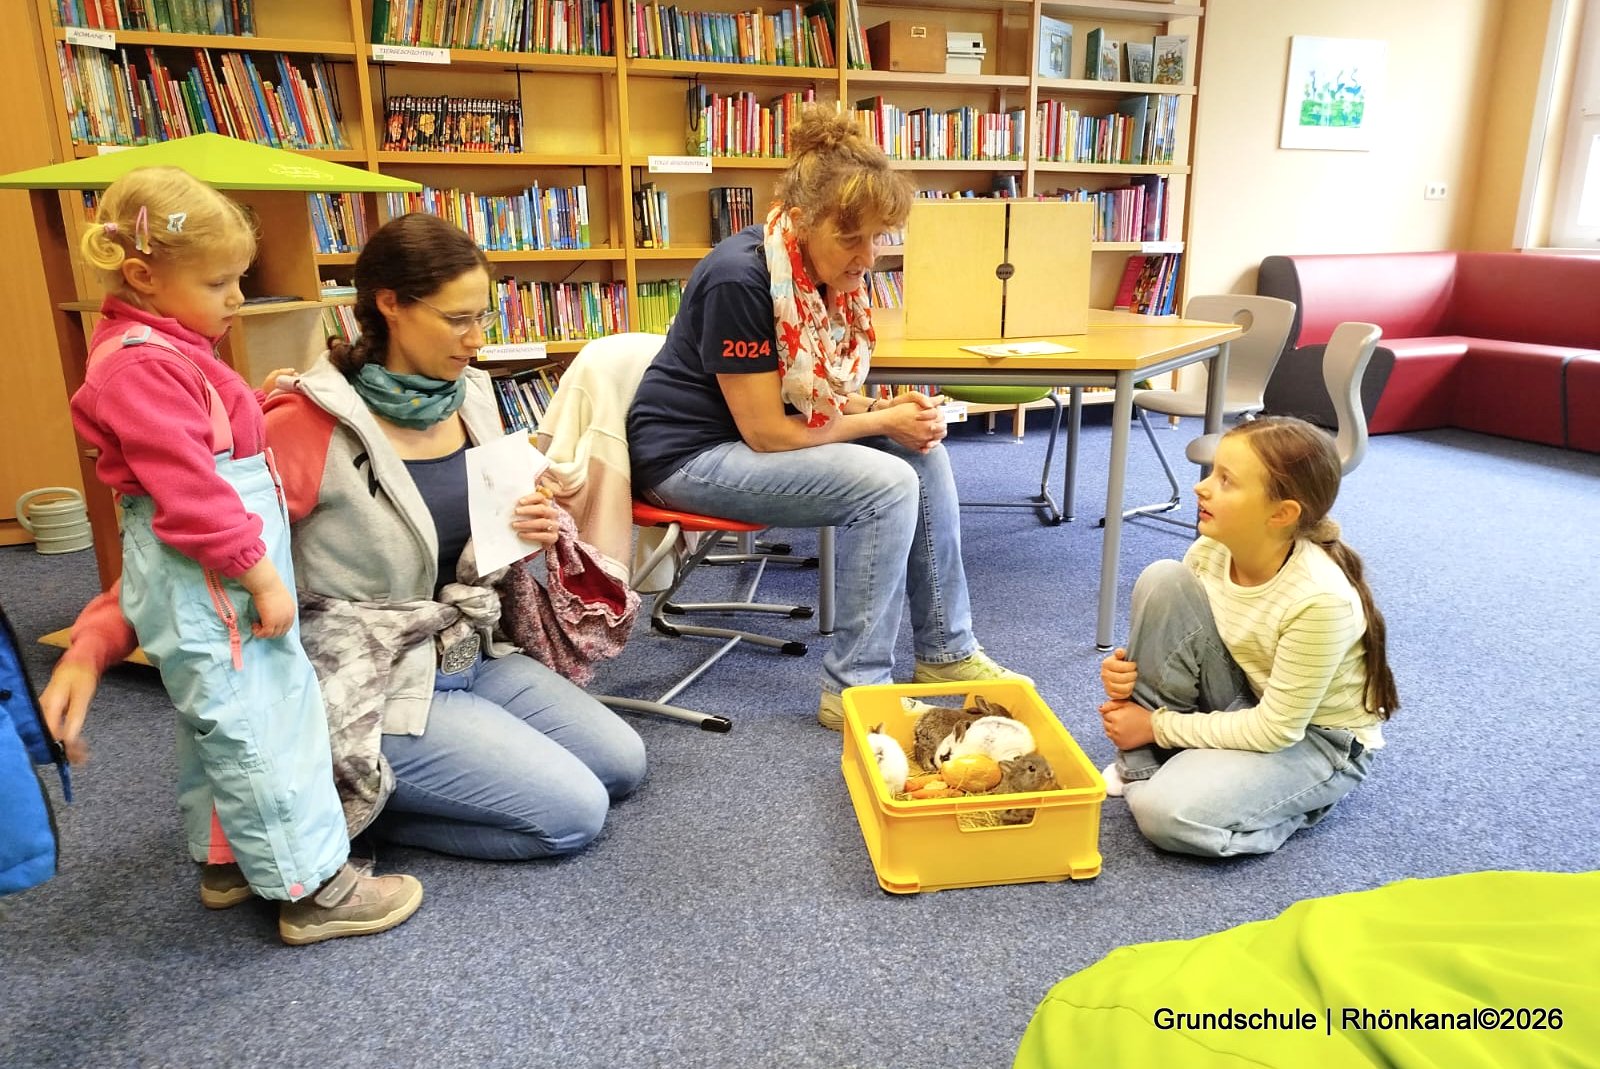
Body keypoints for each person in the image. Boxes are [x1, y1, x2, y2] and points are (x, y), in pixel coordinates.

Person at [48, 211, 647, 870]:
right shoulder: (304, 424)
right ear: (390, 305)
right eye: (457, 319)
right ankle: (346, 808)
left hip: (469, 649)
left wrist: (528, 526)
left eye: (483, 317)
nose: (477, 339)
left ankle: (397, 780)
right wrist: (90, 650)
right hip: (369, 679)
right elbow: (189, 548)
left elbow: (471, 535)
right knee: (573, 813)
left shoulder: (472, 394)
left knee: (622, 764)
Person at [58, 165, 421, 944]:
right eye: (218, 283)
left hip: (214, 575)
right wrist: (261, 576)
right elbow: (192, 491)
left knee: (216, 717)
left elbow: (200, 435)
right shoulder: (140, 365)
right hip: (218, 577)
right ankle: (313, 889)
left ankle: (226, 861)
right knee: (263, 721)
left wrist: (252, 402)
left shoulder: (168, 348)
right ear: (144, 277)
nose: (235, 299)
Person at [626, 105, 1029, 731]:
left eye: (878, 237)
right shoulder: (741, 278)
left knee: (920, 454)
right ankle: (855, 688)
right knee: (886, 484)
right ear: (804, 219)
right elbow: (768, 431)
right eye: (851, 239)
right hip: (687, 457)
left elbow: (807, 396)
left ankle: (946, 652)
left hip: (746, 440)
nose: (867, 257)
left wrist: (881, 409)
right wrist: (880, 422)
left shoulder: (812, 271)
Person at [1097, 416, 1399, 857]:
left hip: (1315, 738)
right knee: (1163, 579)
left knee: (1163, 814)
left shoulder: (1320, 600)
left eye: (1226, 480)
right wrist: (1126, 672)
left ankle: (1295, 806)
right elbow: (1187, 636)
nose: (1201, 487)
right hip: (1250, 693)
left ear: (1281, 514)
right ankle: (1148, 765)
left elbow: (1277, 729)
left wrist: (1154, 726)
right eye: (1212, 473)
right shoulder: (1212, 548)